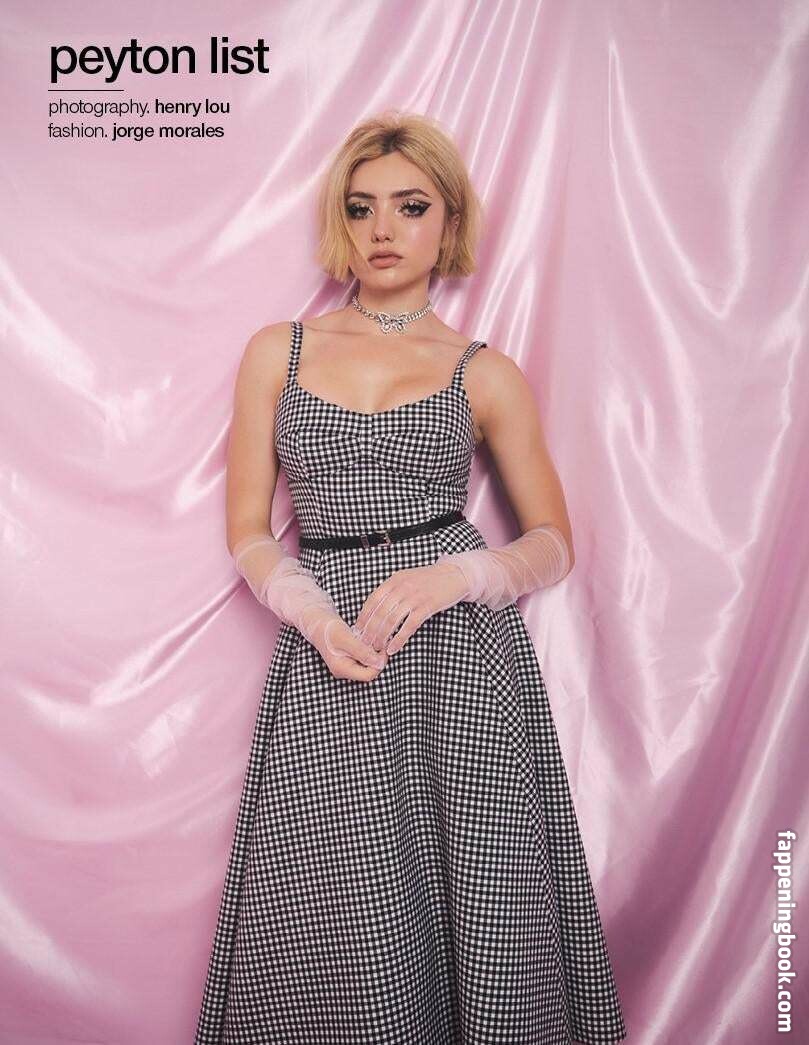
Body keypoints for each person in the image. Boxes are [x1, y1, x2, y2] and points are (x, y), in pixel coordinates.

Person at [194, 110, 627, 1044]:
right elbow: (247, 531)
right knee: (327, 893)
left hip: (460, 656)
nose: (382, 229)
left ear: (449, 221)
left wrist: (457, 576)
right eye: (360, 208)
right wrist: (310, 613)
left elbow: (552, 540)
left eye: (410, 206)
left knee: (482, 887)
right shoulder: (279, 349)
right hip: (335, 648)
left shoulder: (484, 372)